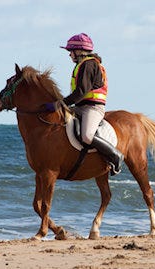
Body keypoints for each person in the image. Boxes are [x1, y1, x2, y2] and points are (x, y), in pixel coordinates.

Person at [44, 33, 123, 176]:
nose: (69, 55)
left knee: (86, 136)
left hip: (92, 108)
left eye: (70, 51)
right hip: (81, 107)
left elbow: (81, 91)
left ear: (79, 51)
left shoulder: (89, 64)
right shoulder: (82, 64)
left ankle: (116, 155)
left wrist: (61, 103)